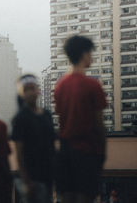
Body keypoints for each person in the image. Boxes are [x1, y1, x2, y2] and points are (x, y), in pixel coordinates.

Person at [55, 35, 107, 203]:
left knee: (67, 197)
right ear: (84, 54)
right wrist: (102, 153)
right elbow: (99, 124)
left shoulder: (60, 86)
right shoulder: (92, 85)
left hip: (64, 152)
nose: (91, 56)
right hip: (87, 152)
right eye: (90, 53)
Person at [11, 74, 56, 203]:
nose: (31, 92)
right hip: (32, 178)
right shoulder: (20, 118)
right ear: (21, 93)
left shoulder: (47, 114)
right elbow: (19, 154)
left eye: (33, 88)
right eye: (26, 89)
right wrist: (26, 182)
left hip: (47, 175)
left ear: (38, 89)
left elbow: (52, 145)